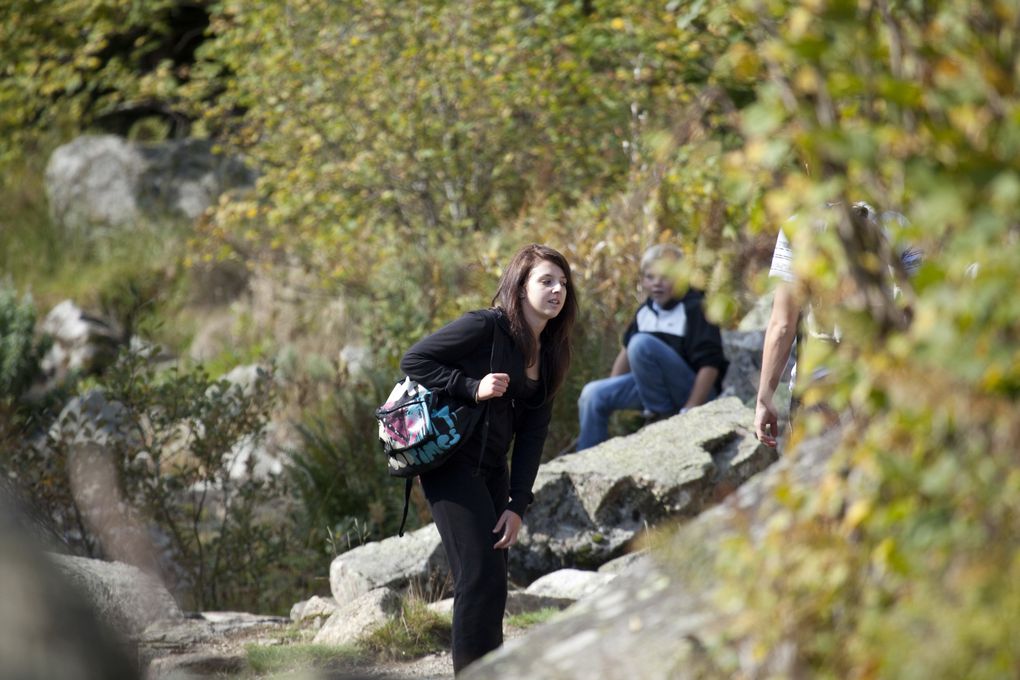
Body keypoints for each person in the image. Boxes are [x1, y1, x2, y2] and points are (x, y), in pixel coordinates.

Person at [399, 243, 577, 674]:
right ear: (519, 287)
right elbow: (415, 359)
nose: (558, 290)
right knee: (479, 577)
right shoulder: (485, 326)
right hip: (451, 464)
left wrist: (518, 504)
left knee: (492, 583)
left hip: (494, 471)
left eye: (563, 283)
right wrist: (470, 386)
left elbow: (534, 436)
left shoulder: (551, 351)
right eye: (546, 281)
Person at [754, 202, 923, 447]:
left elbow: (782, 324)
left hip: (819, 385)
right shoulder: (896, 221)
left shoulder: (799, 225)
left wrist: (764, 399)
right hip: (882, 382)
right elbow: (917, 310)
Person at [575, 244, 728, 451]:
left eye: (665, 277)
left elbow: (710, 364)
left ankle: (659, 417)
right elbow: (626, 352)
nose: (657, 284)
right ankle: (587, 457)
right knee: (593, 393)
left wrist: (691, 410)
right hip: (654, 389)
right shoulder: (645, 312)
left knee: (642, 343)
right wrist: (613, 390)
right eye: (650, 277)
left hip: (693, 390)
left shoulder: (695, 308)